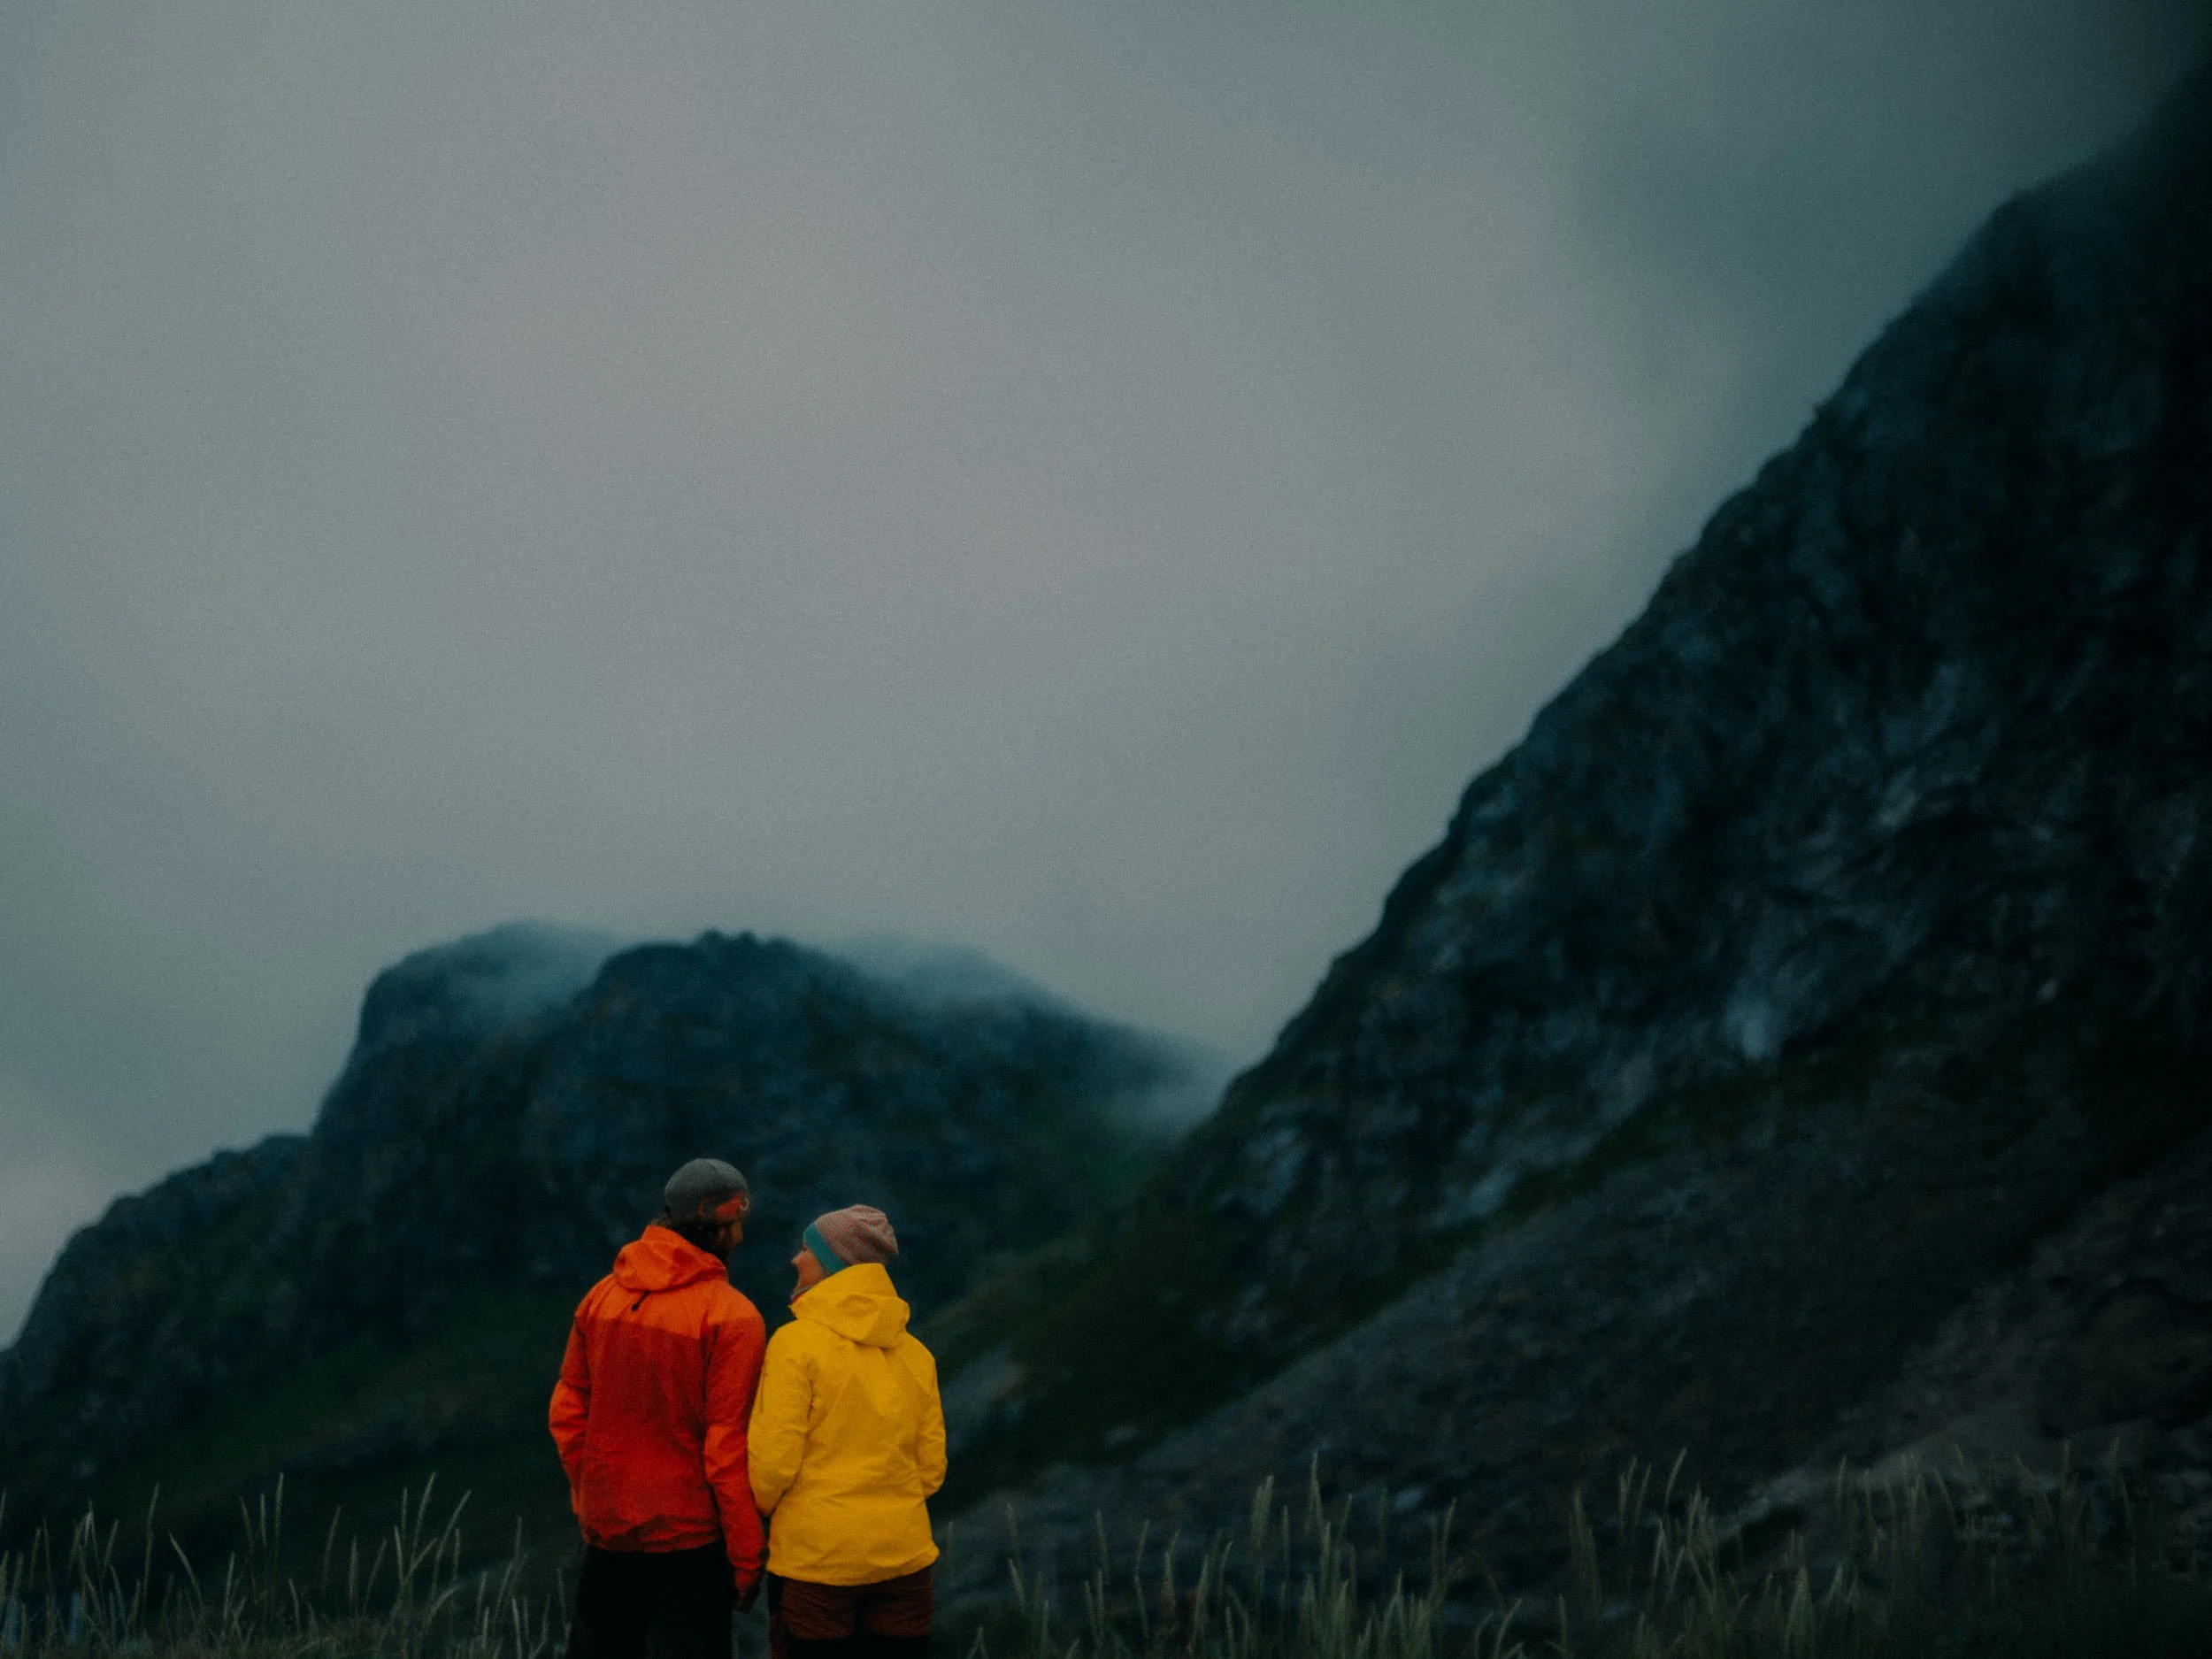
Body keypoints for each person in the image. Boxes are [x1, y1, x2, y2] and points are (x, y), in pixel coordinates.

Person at [549, 1158, 768, 1659]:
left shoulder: (599, 1299)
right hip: (689, 1544)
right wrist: (746, 1556)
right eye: (737, 1225)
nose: (740, 1238)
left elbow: (567, 1412)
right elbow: (725, 1447)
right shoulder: (733, 1317)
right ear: (717, 1226)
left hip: (608, 1535)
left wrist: (592, 1497)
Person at [749, 1206, 946, 1659]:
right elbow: (931, 1469)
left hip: (817, 1563)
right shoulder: (917, 1355)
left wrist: (766, 1515)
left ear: (833, 1262)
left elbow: (772, 1466)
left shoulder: (795, 1345)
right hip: (904, 1557)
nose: (795, 1260)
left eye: (805, 1250)